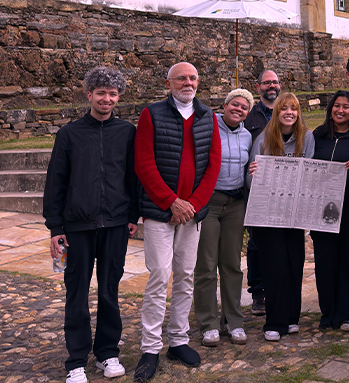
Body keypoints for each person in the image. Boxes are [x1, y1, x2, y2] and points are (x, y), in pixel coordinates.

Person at [43, 67, 138, 383]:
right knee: (77, 293)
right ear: (89, 95)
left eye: (112, 94)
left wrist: (132, 217)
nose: (107, 99)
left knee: (110, 292)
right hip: (77, 228)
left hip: (115, 225)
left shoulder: (127, 132)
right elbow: (56, 182)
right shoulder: (69, 134)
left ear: (118, 97)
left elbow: (133, 178)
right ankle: (76, 361)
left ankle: (108, 353)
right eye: (101, 93)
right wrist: (56, 228)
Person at [133, 62, 221, 382]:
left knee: (185, 275)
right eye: (181, 77)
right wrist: (171, 202)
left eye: (193, 77)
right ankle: (150, 348)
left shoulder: (209, 116)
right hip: (160, 212)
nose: (188, 82)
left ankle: (178, 340)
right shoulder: (152, 114)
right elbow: (143, 163)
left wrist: (193, 205)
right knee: (159, 276)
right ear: (168, 82)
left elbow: (213, 167)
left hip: (192, 214)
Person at [247, 93, 315, 341]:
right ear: (276, 112)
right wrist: (253, 175)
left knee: (294, 264)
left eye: (294, 109)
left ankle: (292, 318)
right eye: (284, 108)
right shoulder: (263, 138)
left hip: (294, 212)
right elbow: (249, 177)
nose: (289, 112)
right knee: (274, 266)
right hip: (268, 214)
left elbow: (309, 172)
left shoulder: (306, 137)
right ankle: (274, 322)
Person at [194, 88, 254, 348]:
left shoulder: (248, 136)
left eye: (244, 108)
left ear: (247, 113)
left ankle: (234, 320)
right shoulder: (209, 126)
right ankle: (208, 324)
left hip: (235, 204)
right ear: (225, 104)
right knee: (206, 265)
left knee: (231, 264)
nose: (238, 109)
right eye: (235, 104)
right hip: (209, 202)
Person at [310, 91, 349, 331]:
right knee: (325, 261)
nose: (341, 110)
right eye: (337, 106)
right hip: (322, 207)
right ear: (331, 109)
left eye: (346, 107)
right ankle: (328, 313)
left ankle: (348, 314)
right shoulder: (318, 135)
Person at [243, 69, 281, 317]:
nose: (271, 86)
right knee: (256, 242)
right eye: (267, 82)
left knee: (280, 242)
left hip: (283, 188)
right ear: (258, 87)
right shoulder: (249, 116)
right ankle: (258, 293)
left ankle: (279, 289)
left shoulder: (288, 111)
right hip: (255, 187)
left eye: (275, 82)